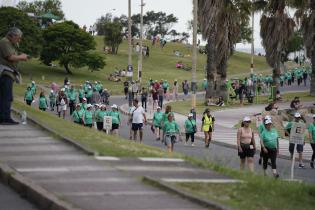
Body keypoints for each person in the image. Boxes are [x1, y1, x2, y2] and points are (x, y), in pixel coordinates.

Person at [0, 27, 28, 125]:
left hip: (8, 73)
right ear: (13, 35)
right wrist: (22, 57)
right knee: (6, 96)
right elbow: (10, 57)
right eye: (18, 38)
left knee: (6, 96)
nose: (19, 40)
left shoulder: (10, 43)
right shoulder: (5, 42)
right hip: (5, 73)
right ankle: (5, 118)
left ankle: (4, 117)